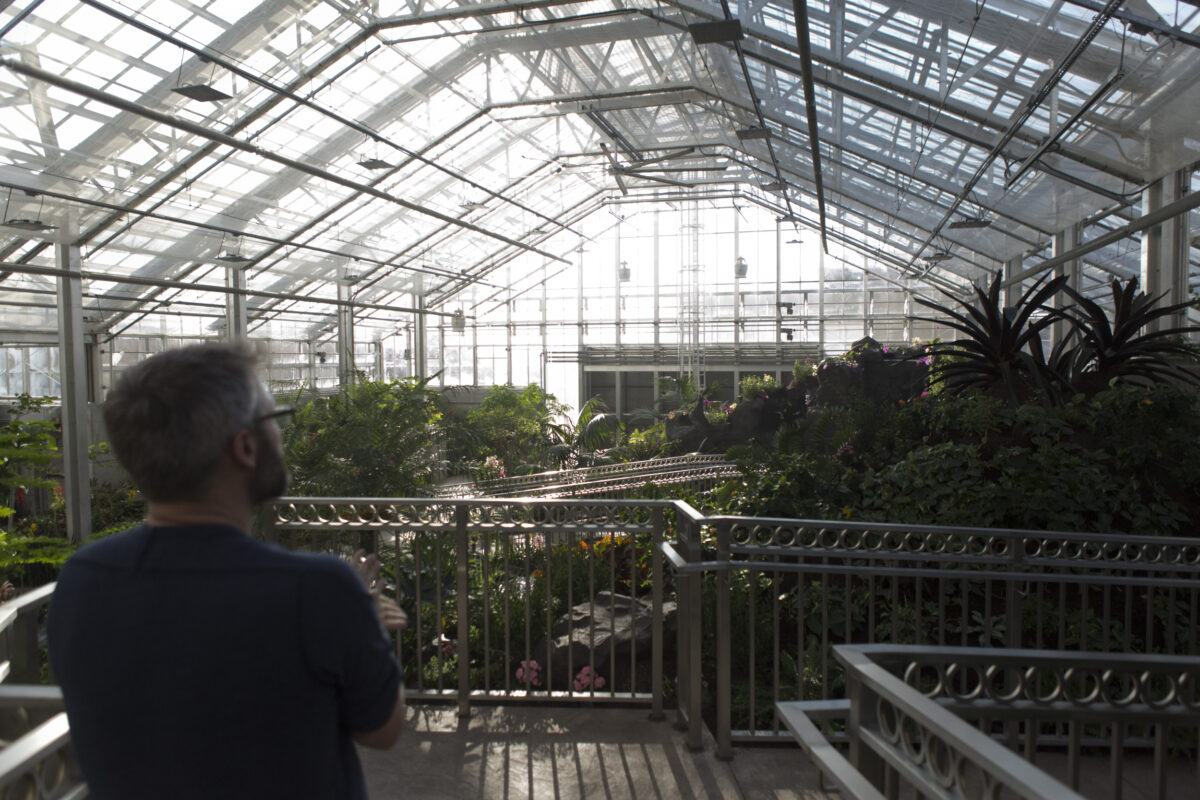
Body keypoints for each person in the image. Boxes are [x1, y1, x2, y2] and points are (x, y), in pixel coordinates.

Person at [47, 343, 406, 799]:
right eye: (274, 421)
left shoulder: (84, 579)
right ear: (246, 446)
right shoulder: (316, 589)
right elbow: (382, 730)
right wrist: (367, 619)